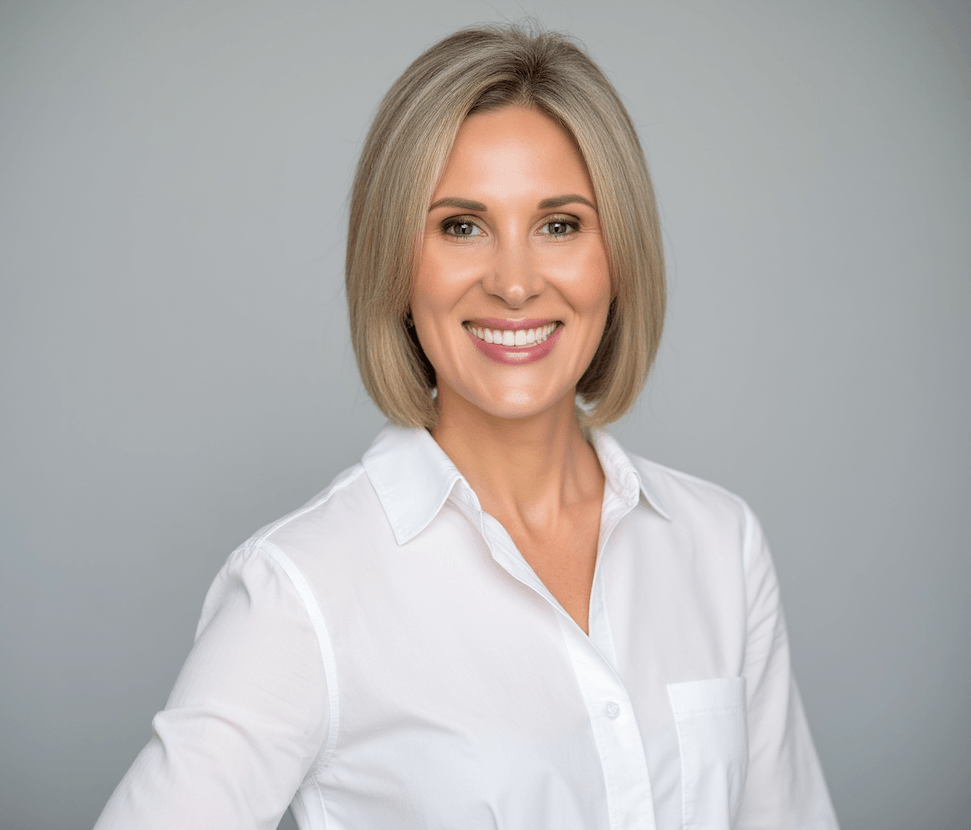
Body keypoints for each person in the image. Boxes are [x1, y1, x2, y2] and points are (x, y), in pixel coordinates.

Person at [95, 23, 838, 830]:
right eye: (461, 226)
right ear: (396, 266)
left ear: (618, 259)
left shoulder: (720, 545)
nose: (514, 284)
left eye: (559, 225)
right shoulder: (304, 589)